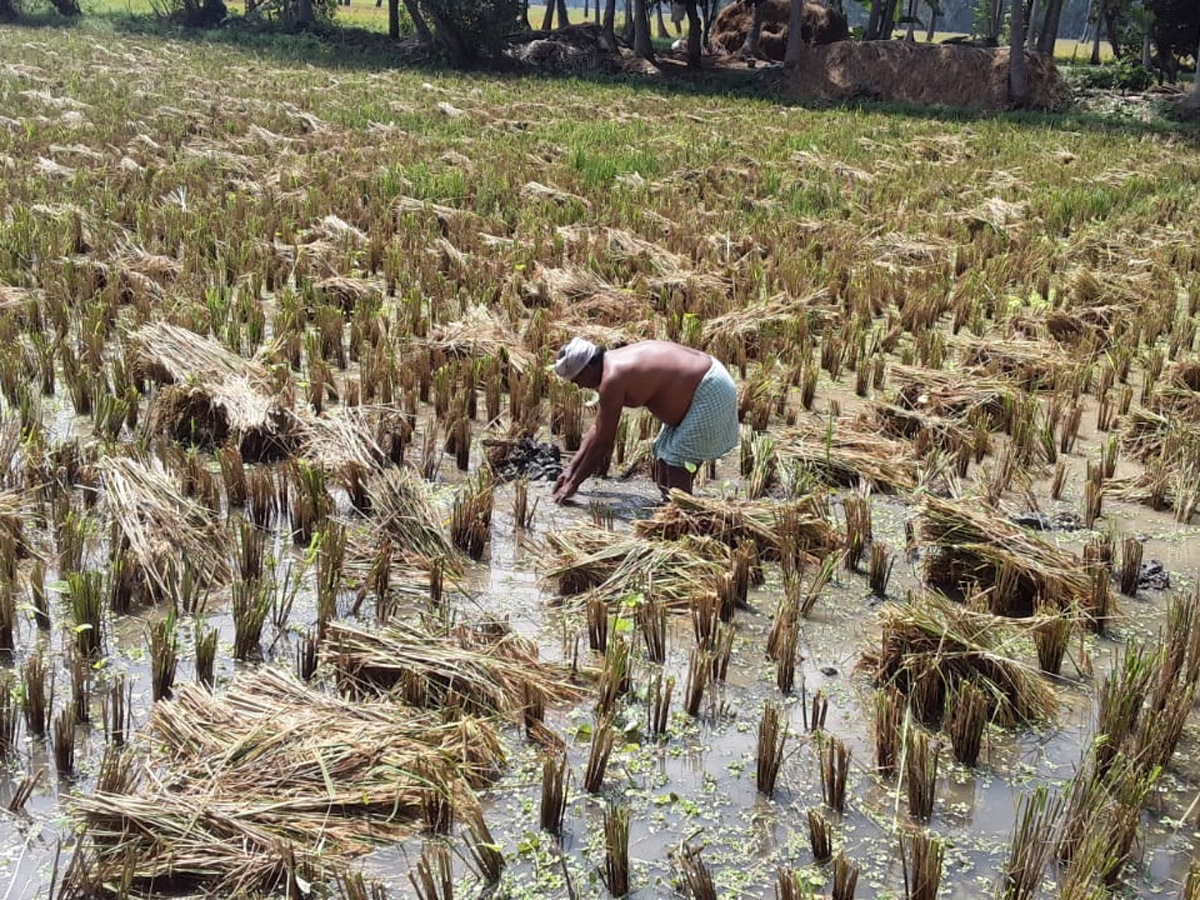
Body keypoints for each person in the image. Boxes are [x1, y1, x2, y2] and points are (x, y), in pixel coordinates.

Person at [551, 338, 739, 504]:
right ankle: (676, 517)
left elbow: (603, 443)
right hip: (705, 381)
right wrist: (571, 469)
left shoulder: (613, 378)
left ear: (588, 367)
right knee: (663, 474)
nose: (579, 386)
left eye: (577, 379)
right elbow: (598, 428)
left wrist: (574, 484)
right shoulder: (610, 364)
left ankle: (685, 524)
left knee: (676, 468)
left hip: (710, 388)